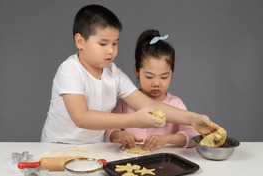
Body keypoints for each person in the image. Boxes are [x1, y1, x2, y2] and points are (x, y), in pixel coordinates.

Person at [41, 4, 218, 144]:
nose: (111, 51)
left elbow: (148, 104)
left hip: (93, 149)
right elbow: (81, 117)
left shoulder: (113, 74)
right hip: (58, 146)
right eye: (103, 44)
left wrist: (194, 118)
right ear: (80, 41)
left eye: (115, 43)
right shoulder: (70, 70)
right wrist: (134, 120)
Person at [105, 29, 200, 150]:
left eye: (164, 77)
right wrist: (121, 134)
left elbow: (193, 135)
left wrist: (165, 139)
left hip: (164, 162)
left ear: (172, 72)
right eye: (149, 77)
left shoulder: (175, 104)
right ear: (136, 71)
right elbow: (110, 129)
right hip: (130, 160)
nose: (156, 83)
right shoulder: (126, 102)